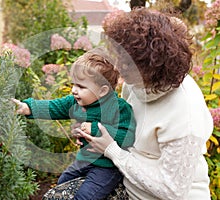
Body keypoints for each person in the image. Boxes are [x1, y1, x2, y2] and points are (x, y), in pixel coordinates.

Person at [43, 8, 214, 200]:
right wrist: (96, 135)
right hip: (127, 184)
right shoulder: (136, 85)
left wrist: (111, 150)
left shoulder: (185, 114)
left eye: (125, 62)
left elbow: (172, 191)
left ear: (150, 66)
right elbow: (123, 126)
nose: (116, 67)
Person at [11, 47, 136, 200]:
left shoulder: (119, 107)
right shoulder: (75, 103)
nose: (74, 90)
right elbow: (53, 107)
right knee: (63, 183)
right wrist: (27, 107)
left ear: (103, 91)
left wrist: (95, 129)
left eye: (81, 87)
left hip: (108, 167)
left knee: (86, 196)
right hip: (84, 160)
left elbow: (128, 136)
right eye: (74, 84)